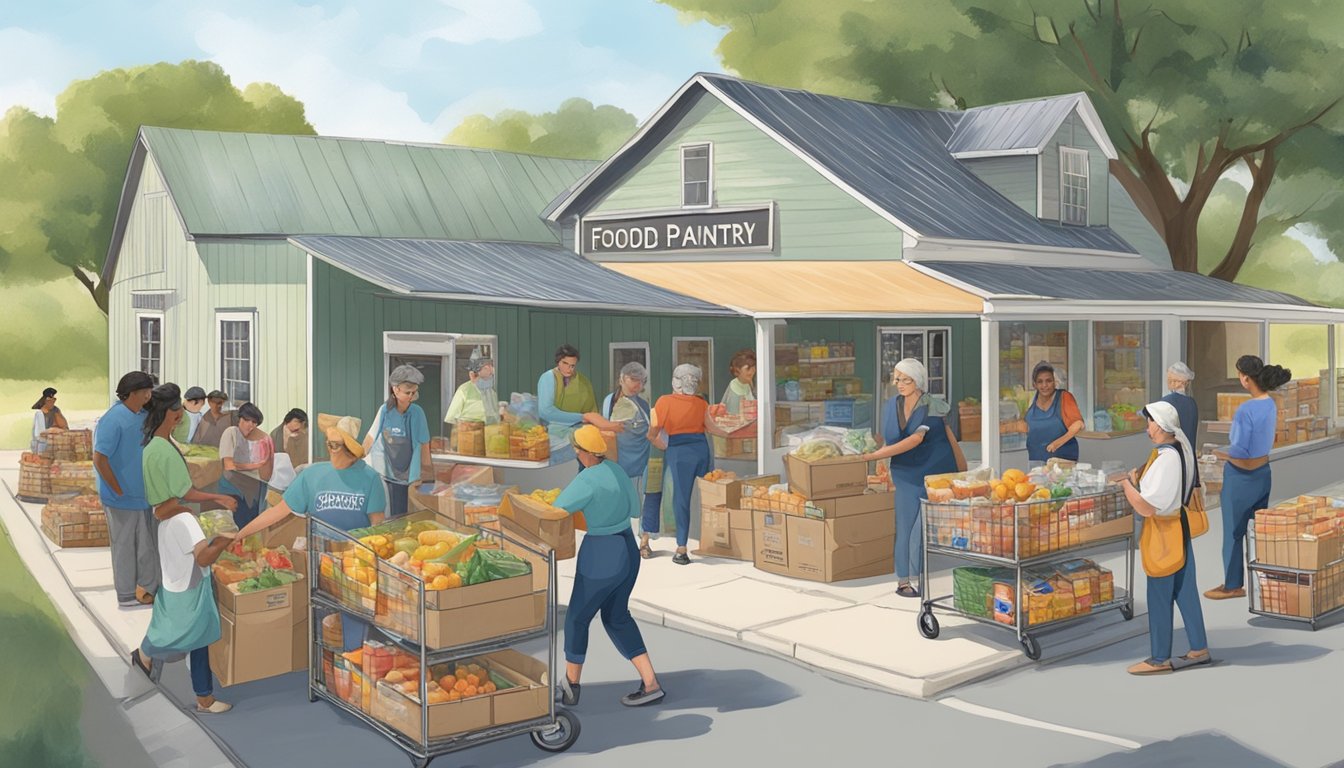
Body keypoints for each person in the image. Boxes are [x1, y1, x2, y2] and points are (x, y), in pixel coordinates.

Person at [130, 383, 239, 712]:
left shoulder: (153, 446)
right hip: (177, 522)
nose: (182, 415)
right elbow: (186, 493)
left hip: (164, 528)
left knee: (175, 612)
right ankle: (204, 697)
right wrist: (223, 535)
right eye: (179, 410)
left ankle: (145, 655)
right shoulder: (184, 518)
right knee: (196, 625)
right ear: (171, 414)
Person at [236, 416, 386, 652]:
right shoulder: (312, 475)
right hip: (320, 565)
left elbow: (378, 529)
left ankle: (350, 670)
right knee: (323, 628)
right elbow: (278, 511)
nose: (330, 450)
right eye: (328, 444)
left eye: (336, 445)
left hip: (357, 568)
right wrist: (241, 534)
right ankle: (326, 673)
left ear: (350, 448)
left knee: (354, 634)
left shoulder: (370, 479)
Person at [553, 426, 665, 708]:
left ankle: (570, 685)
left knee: (577, 618)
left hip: (601, 553)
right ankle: (651, 683)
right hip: (628, 548)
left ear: (583, 453)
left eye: (577, 450)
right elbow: (635, 510)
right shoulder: (616, 470)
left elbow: (558, 508)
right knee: (617, 617)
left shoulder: (586, 479)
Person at [1119, 401, 1210, 675]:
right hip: (1178, 525)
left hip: (1163, 530)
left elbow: (1147, 507)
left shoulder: (1165, 459)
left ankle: (1159, 658)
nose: (1147, 427)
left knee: (1159, 595)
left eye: (1149, 422)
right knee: (1185, 591)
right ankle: (1199, 648)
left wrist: (1125, 483)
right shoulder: (1179, 450)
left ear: (1159, 425)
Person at [861, 359, 966, 598]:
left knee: (923, 528)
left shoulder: (933, 405)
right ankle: (903, 580)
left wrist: (962, 469)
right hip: (905, 473)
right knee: (905, 526)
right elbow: (891, 439)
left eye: (905, 379)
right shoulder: (892, 405)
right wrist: (876, 456)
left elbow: (916, 439)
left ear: (917, 380)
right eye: (896, 379)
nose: (898, 384)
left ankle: (921, 578)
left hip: (934, 473)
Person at [1205, 355, 1291, 600]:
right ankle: (1265, 583)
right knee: (1258, 531)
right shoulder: (1270, 404)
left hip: (1241, 477)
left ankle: (1233, 585)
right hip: (1263, 474)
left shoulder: (1245, 409)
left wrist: (1217, 452)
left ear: (1244, 378)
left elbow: (1240, 450)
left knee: (1233, 534)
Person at [94, 371, 160, 607]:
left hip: (143, 496)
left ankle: (147, 589)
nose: (148, 395)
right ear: (133, 393)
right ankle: (125, 594)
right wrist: (118, 490)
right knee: (123, 547)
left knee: (146, 546)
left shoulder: (143, 416)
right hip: (120, 499)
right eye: (145, 391)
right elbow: (100, 459)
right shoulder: (113, 419)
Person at [643, 364, 719, 565]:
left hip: (679, 453)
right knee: (708, 497)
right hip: (702, 450)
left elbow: (654, 430)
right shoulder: (702, 404)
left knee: (681, 499)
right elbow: (712, 428)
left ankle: (682, 548)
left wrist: (653, 439)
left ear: (675, 382)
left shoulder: (664, 402)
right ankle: (711, 541)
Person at [363, 364, 432, 519]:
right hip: (383, 473)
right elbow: (370, 438)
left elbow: (423, 444)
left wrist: (423, 474)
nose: (411, 396)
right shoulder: (384, 411)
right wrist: (357, 461)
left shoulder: (417, 413)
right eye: (407, 392)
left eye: (414, 393)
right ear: (395, 389)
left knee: (401, 516)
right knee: (383, 514)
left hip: (406, 477)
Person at [536, 344, 624, 465]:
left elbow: (592, 412)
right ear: (558, 362)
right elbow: (545, 411)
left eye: (572, 365)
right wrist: (582, 417)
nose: (569, 369)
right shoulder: (548, 378)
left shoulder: (583, 382)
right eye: (565, 363)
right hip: (554, 436)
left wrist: (599, 424)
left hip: (581, 435)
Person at [601, 362, 656, 551]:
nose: (637, 385)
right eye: (633, 379)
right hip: (620, 462)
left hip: (641, 461)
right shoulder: (612, 401)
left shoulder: (642, 404)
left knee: (640, 504)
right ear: (621, 379)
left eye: (641, 381)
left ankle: (643, 542)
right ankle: (626, 543)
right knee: (624, 504)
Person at [218, 403, 275, 529]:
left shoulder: (260, 439)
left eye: (254, 422)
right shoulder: (231, 433)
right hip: (233, 487)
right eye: (247, 420)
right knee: (236, 526)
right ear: (240, 419)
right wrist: (256, 465)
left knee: (252, 528)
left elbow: (266, 472)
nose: (250, 425)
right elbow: (229, 465)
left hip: (254, 489)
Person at [1025, 362, 1084, 465]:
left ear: (1054, 382)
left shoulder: (1064, 397)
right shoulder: (1030, 400)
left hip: (1063, 460)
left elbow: (1078, 424)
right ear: (1034, 384)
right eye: (1040, 382)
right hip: (1035, 460)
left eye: (1048, 381)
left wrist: (1057, 443)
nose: (1044, 385)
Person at [445, 349, 502, 426]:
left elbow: (495, 417)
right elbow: (451, 418)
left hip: (489, 434)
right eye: (486, 368)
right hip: (468, 434)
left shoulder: (492, 392)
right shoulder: (464, 390)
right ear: (473, 374)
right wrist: (468, 426)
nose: (490, 372)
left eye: (491, 373)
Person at [1161, 363, 1199, 449]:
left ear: (1177, 382)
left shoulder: (1167, 401)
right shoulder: (1192, 403)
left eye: (1169, 380)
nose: (1168, 382)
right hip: (1189, 453)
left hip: (1174, 453)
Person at [720, 349, 757, 416]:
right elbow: (733, 413)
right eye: (748, 369)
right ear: (737, 370)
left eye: (754, 368)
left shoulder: (750, 383)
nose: (752, 372)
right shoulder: (734, 386)